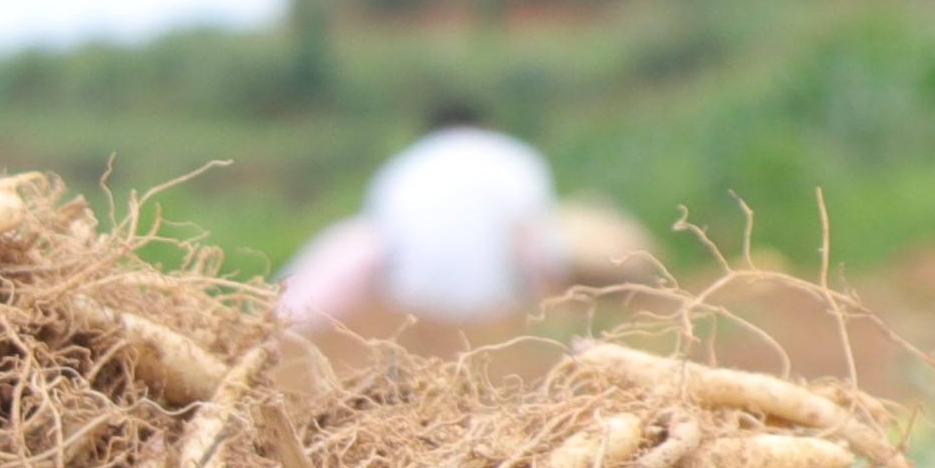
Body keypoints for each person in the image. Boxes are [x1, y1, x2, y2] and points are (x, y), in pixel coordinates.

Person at [274, 109, 665, 328]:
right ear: (485, 126)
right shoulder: (513, 158)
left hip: (416, 316)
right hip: (499, 311)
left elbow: (385, 257)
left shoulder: (401, 169)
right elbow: (532, 244)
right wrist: (551, 306)